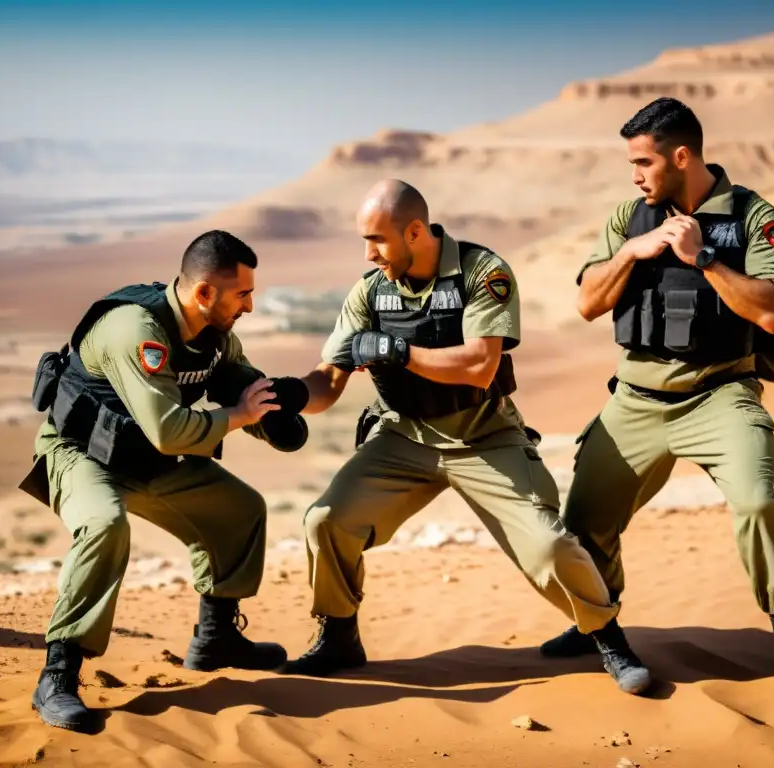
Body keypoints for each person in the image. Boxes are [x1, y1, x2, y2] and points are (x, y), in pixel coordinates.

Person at [276, 178, 652, 695]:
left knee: (548, 546)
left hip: (484, 434)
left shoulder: (482, 271)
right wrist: (289, 396)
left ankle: (605, 635)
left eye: (378, 241)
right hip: (403, 437)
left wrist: (399, 353)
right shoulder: (370, 291)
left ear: (413, 232)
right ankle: (339, 634)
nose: (368, 254)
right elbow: (330, 378)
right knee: (325, 521)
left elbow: (480, 365)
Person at [537, 97, 774, 700]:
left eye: (644, 162)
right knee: (581, 528)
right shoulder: (628, 216)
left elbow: (773, 313)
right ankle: (601, 628)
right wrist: (630, 253)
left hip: (719, 393)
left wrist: (704, 258)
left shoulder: (751, 215)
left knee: (757, 506)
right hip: (637, 397)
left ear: (681, 155)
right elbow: (588, 303)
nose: (636, 175)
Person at [17, 230, 311, 732]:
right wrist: (238, 417)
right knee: (105, 523)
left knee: (240, 510)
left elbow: (241, 383)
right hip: (83, 455)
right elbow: (171, 431)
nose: (250, 307)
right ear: (203, 293)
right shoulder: (137, 329)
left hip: (147, 459)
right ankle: (58, 675)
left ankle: (215, 638)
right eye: (242, 295)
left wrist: (270, 416)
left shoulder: (216, 339)